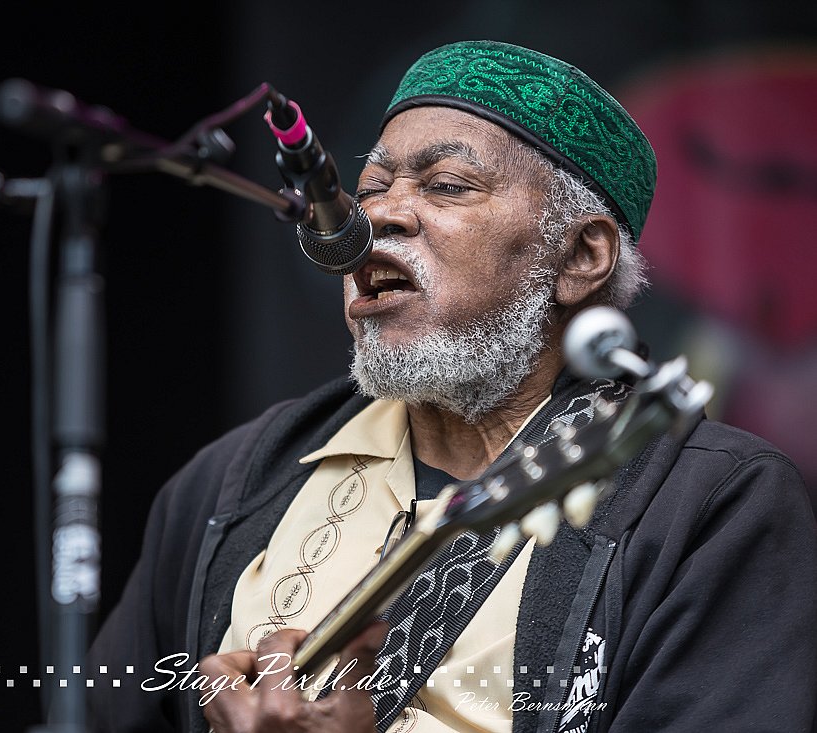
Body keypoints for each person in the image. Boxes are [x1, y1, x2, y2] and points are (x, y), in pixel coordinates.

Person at [84, 40, 817, 733]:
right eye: (369, 188)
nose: (380, 216)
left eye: (447, 185)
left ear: (580, 256)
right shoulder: (229, 482)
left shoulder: (717, 505)